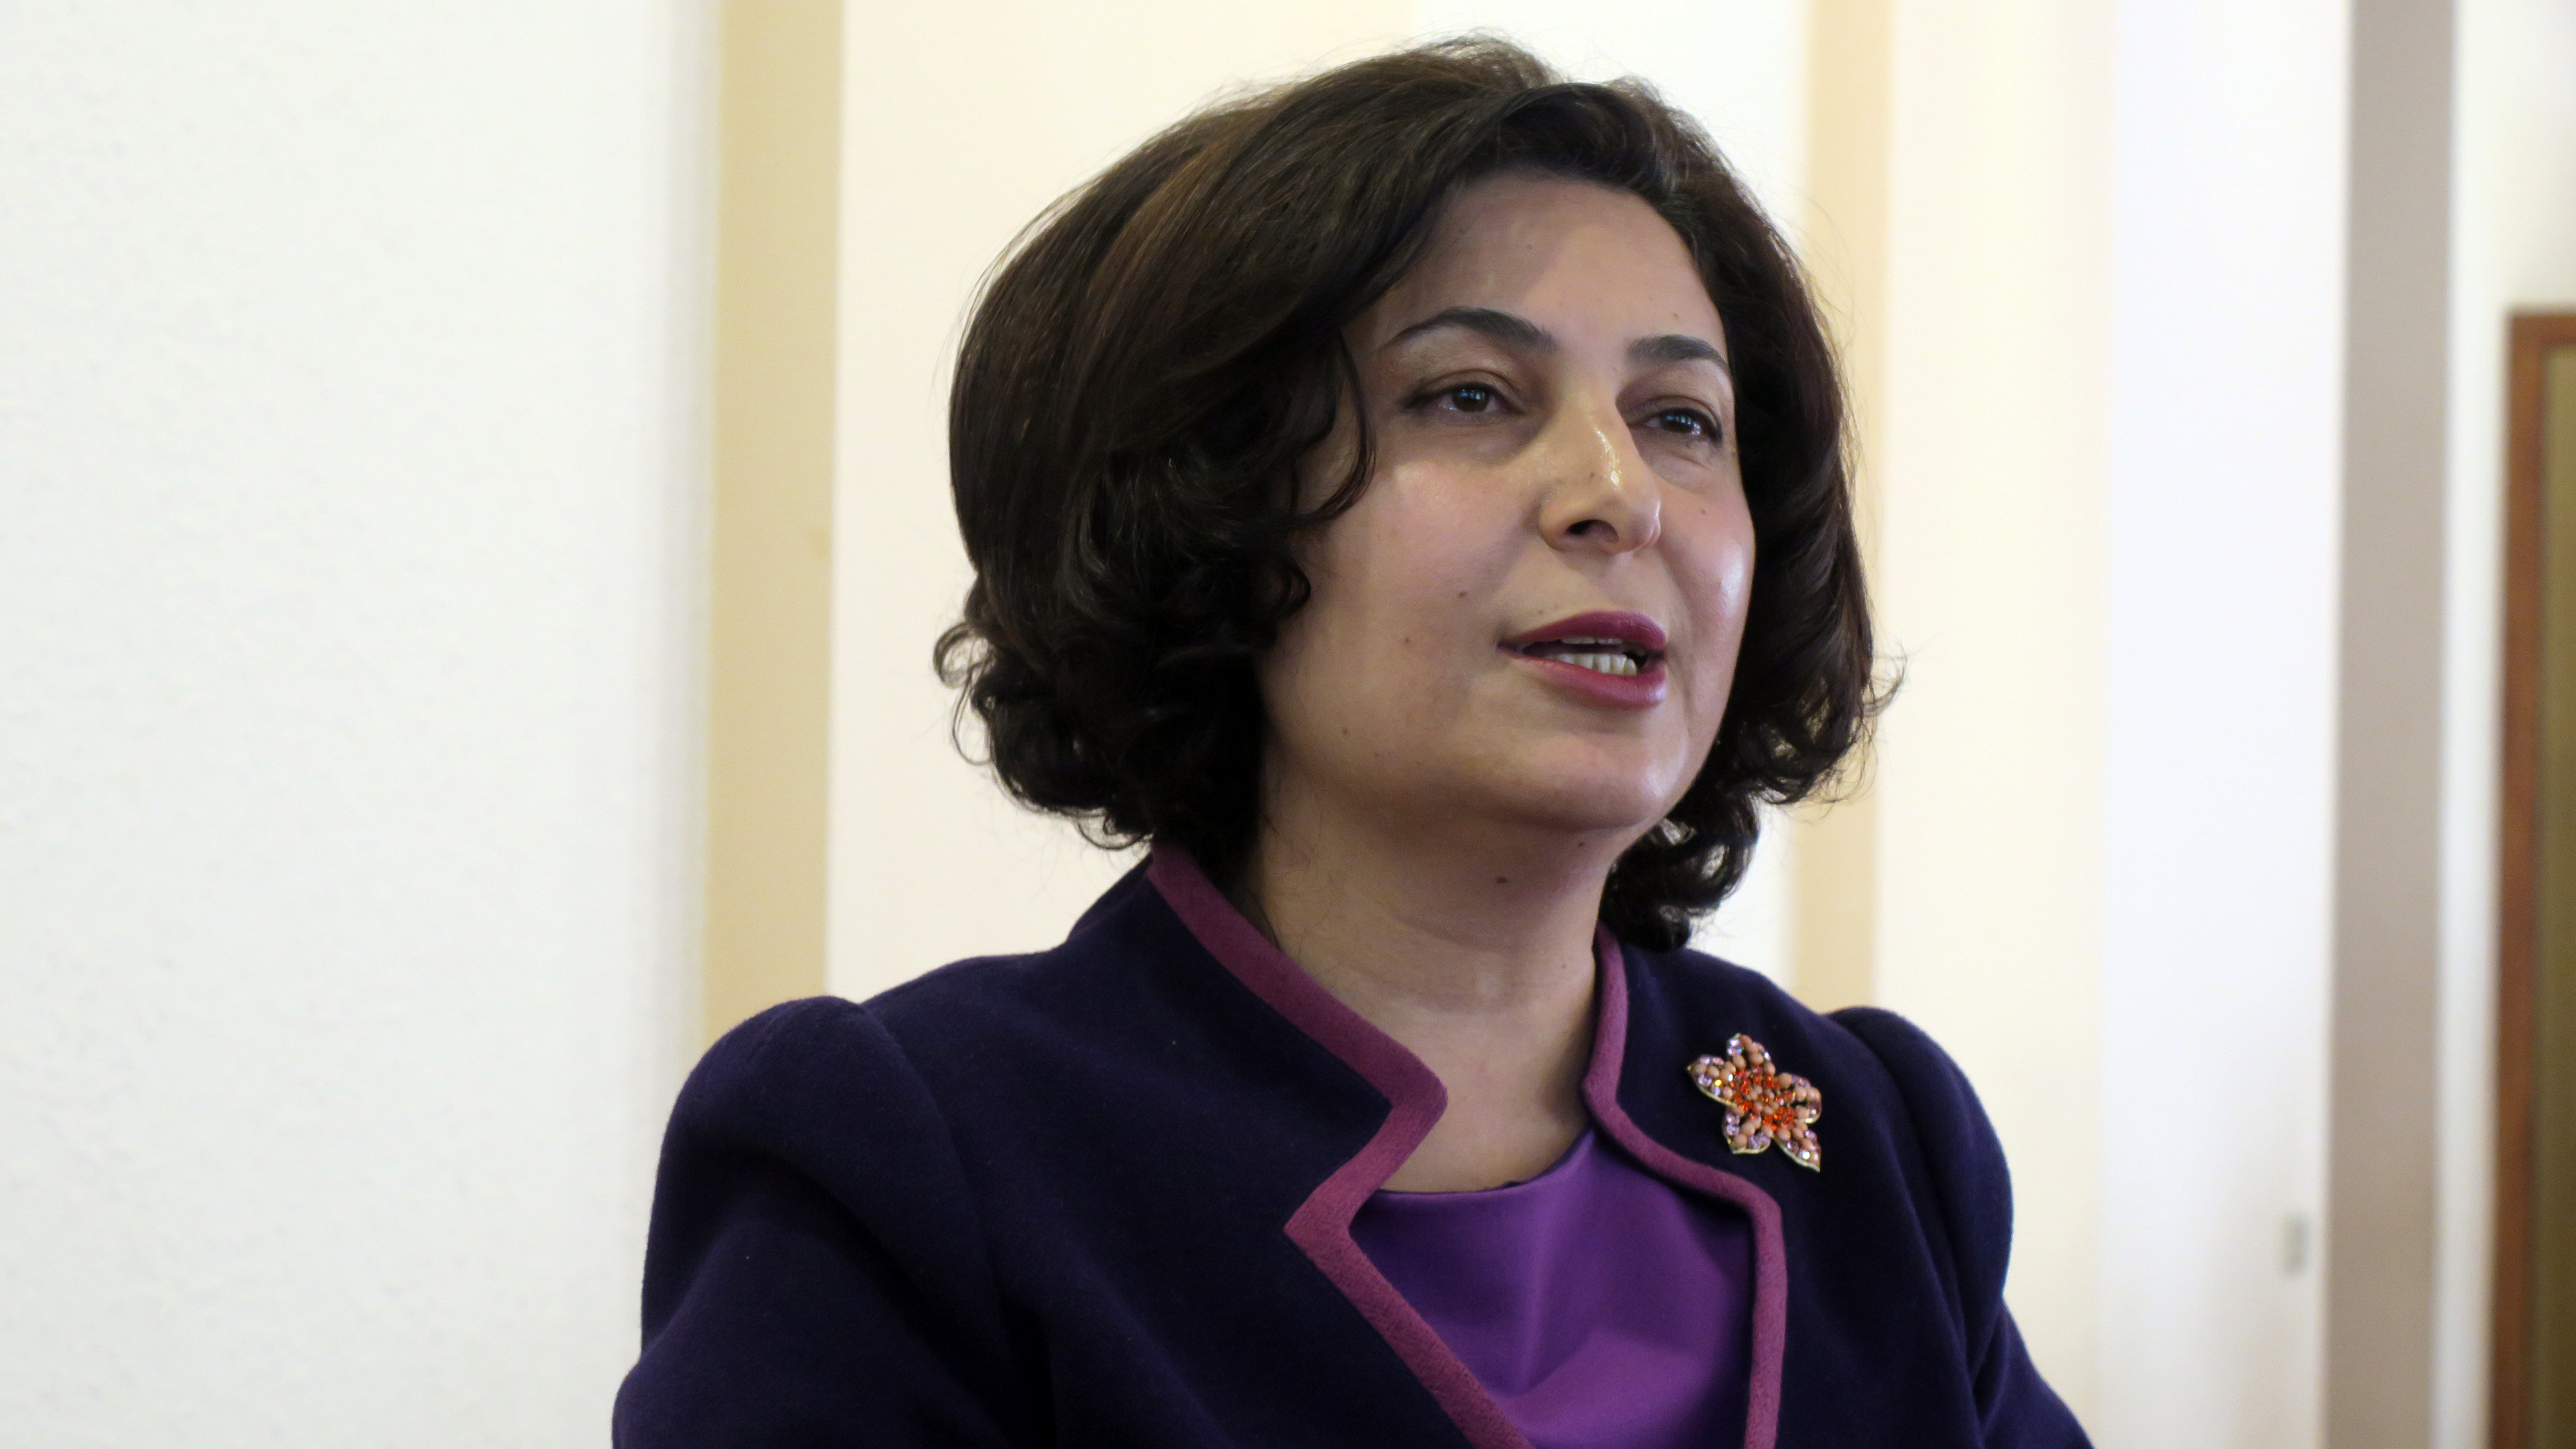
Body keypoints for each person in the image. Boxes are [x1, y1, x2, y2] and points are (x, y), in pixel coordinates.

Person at [614, 39, 2087, 1449]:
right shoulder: (911, 1156)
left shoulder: (1869, 1139)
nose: (1618, 492)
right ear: (1210, 513)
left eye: (1680, 419)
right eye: (1470, 397)